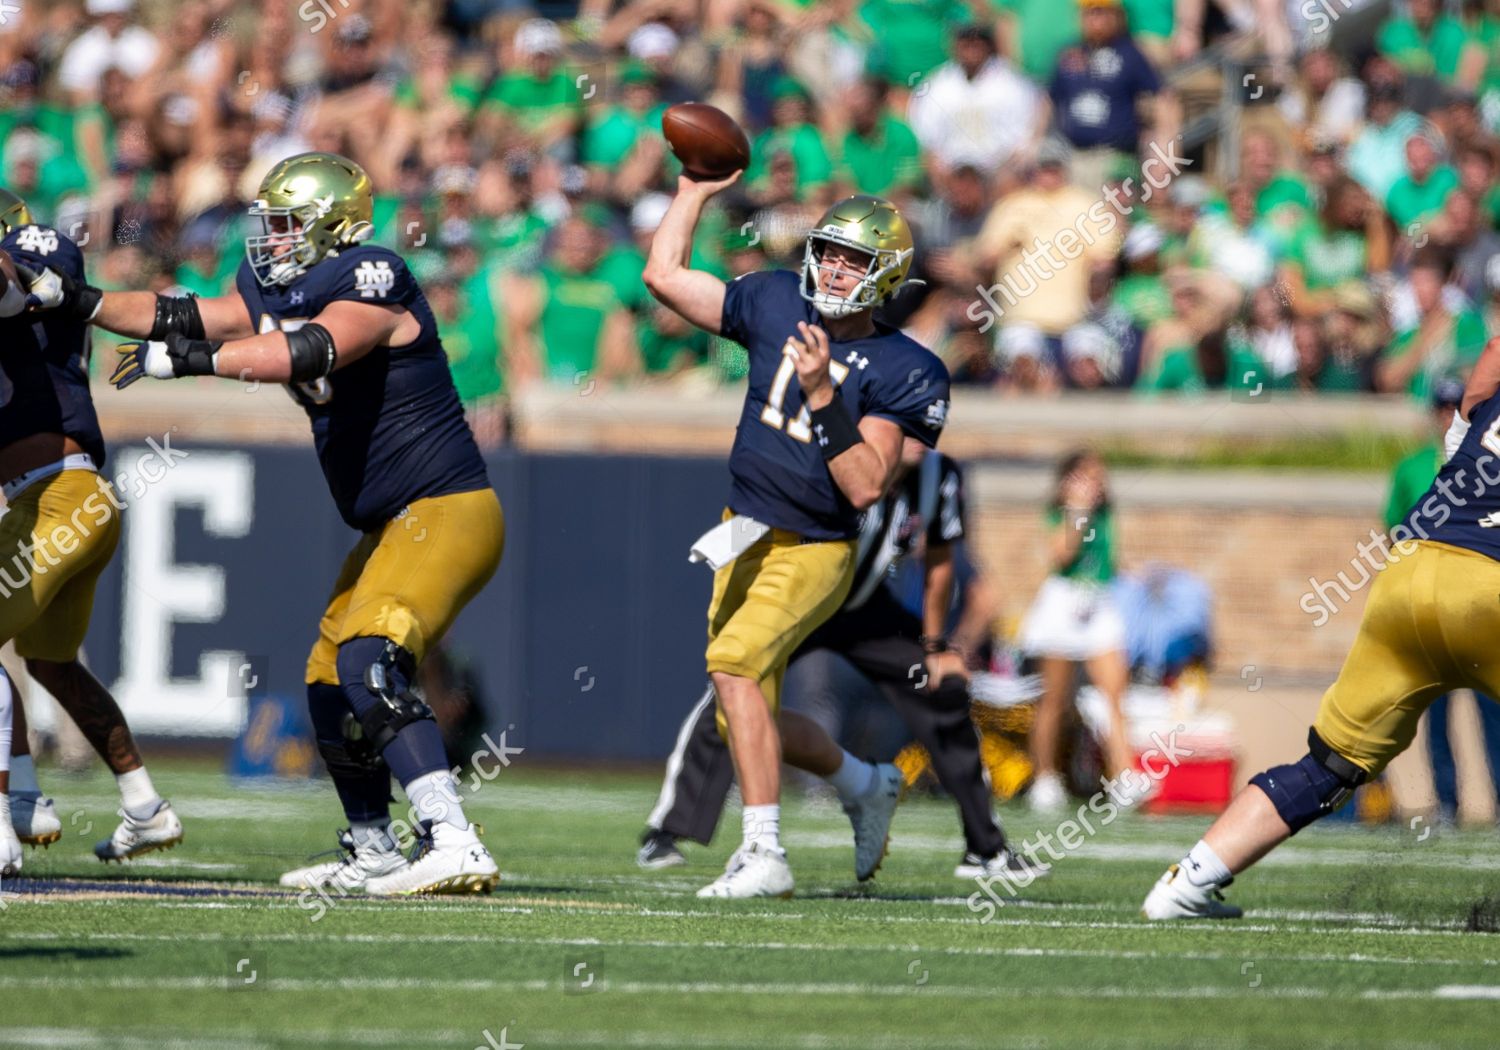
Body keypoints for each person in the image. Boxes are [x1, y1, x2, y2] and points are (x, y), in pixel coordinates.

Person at [26, 153, 504, 896]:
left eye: (285, 224)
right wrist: (80, 300)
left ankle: (452, 836)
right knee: (327, 677)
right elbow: (187, 311)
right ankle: (374, 847)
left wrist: (189, 362)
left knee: (369, 659)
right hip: (390, 522)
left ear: (332, 225)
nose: (270, 238)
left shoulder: (373, 273)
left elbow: (311, 349)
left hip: (446, 508)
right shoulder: (276, 285)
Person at [643, 174, 951, 898]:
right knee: (742, 703)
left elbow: (868, 484)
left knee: (734, 665)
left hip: (814, 545)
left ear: (888, 276)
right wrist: (691, 190)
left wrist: (821, 394)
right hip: (742, 530)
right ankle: (863, 781)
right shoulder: (776, 296)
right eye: (830, 253)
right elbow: (663, 276)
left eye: (854, 260)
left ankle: (764, 853)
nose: (836, 270)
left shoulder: (908, 367)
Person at [1142, 334, 1500, 920]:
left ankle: (1185, 882)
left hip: (1411, 572)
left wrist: (1461, 433)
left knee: (1327, 767)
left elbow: (1491, 351)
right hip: (1490, 585)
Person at [639, 442, 1045, 883]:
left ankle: (985, 846)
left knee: (942, 690)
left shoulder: (939, 477)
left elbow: (940, 564)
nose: (915, 437)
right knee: (736, 680)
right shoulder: (836, 455)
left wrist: (934, 649)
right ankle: (668, 828)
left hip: (866, 606)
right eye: (903, 423)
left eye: (926, 425)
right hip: (805, 593)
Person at [0, 188, 182, 872]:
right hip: (48, 500)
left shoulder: (35, 253)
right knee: (48, 663)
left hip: (63, 495)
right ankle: (144, 805)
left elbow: (24, 279)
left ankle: (10, 817)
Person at [1383, 378, 1500, 825]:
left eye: (1458, 407)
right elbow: (1393, 531)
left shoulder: (1488, 462)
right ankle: (1448, 804)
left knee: (1493, 713)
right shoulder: (1413, 467)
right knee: (1435, 716)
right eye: (1442, 407)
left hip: (1482, 606)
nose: (1449, 415)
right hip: (1429, 607)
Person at [1018, 450, 1138, 812]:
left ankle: (1124, 777)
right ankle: (1045, 777)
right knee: (1054, 699)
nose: (1096, 484)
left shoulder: (1107, 515)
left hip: (1098, 603)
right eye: (1087, 476)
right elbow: (1062, 556)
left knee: (1114, 694)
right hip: (1062, 604)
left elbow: (1105, 563)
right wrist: (1078, 512)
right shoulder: (1063, 512)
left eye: (1098, 477)